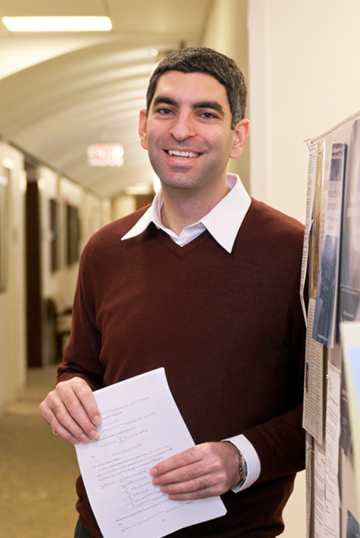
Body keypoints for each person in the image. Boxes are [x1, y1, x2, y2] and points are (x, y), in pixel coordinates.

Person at [40, 47, 306, 538]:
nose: (181, 130)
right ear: (144, 126)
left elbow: (329, 412)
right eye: (166, 110)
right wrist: (69, 393)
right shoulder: (105, 250)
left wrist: (240, 459)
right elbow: (82, 367)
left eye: (206, 113)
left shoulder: (294, 253)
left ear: (238, 136)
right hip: (104, 527)